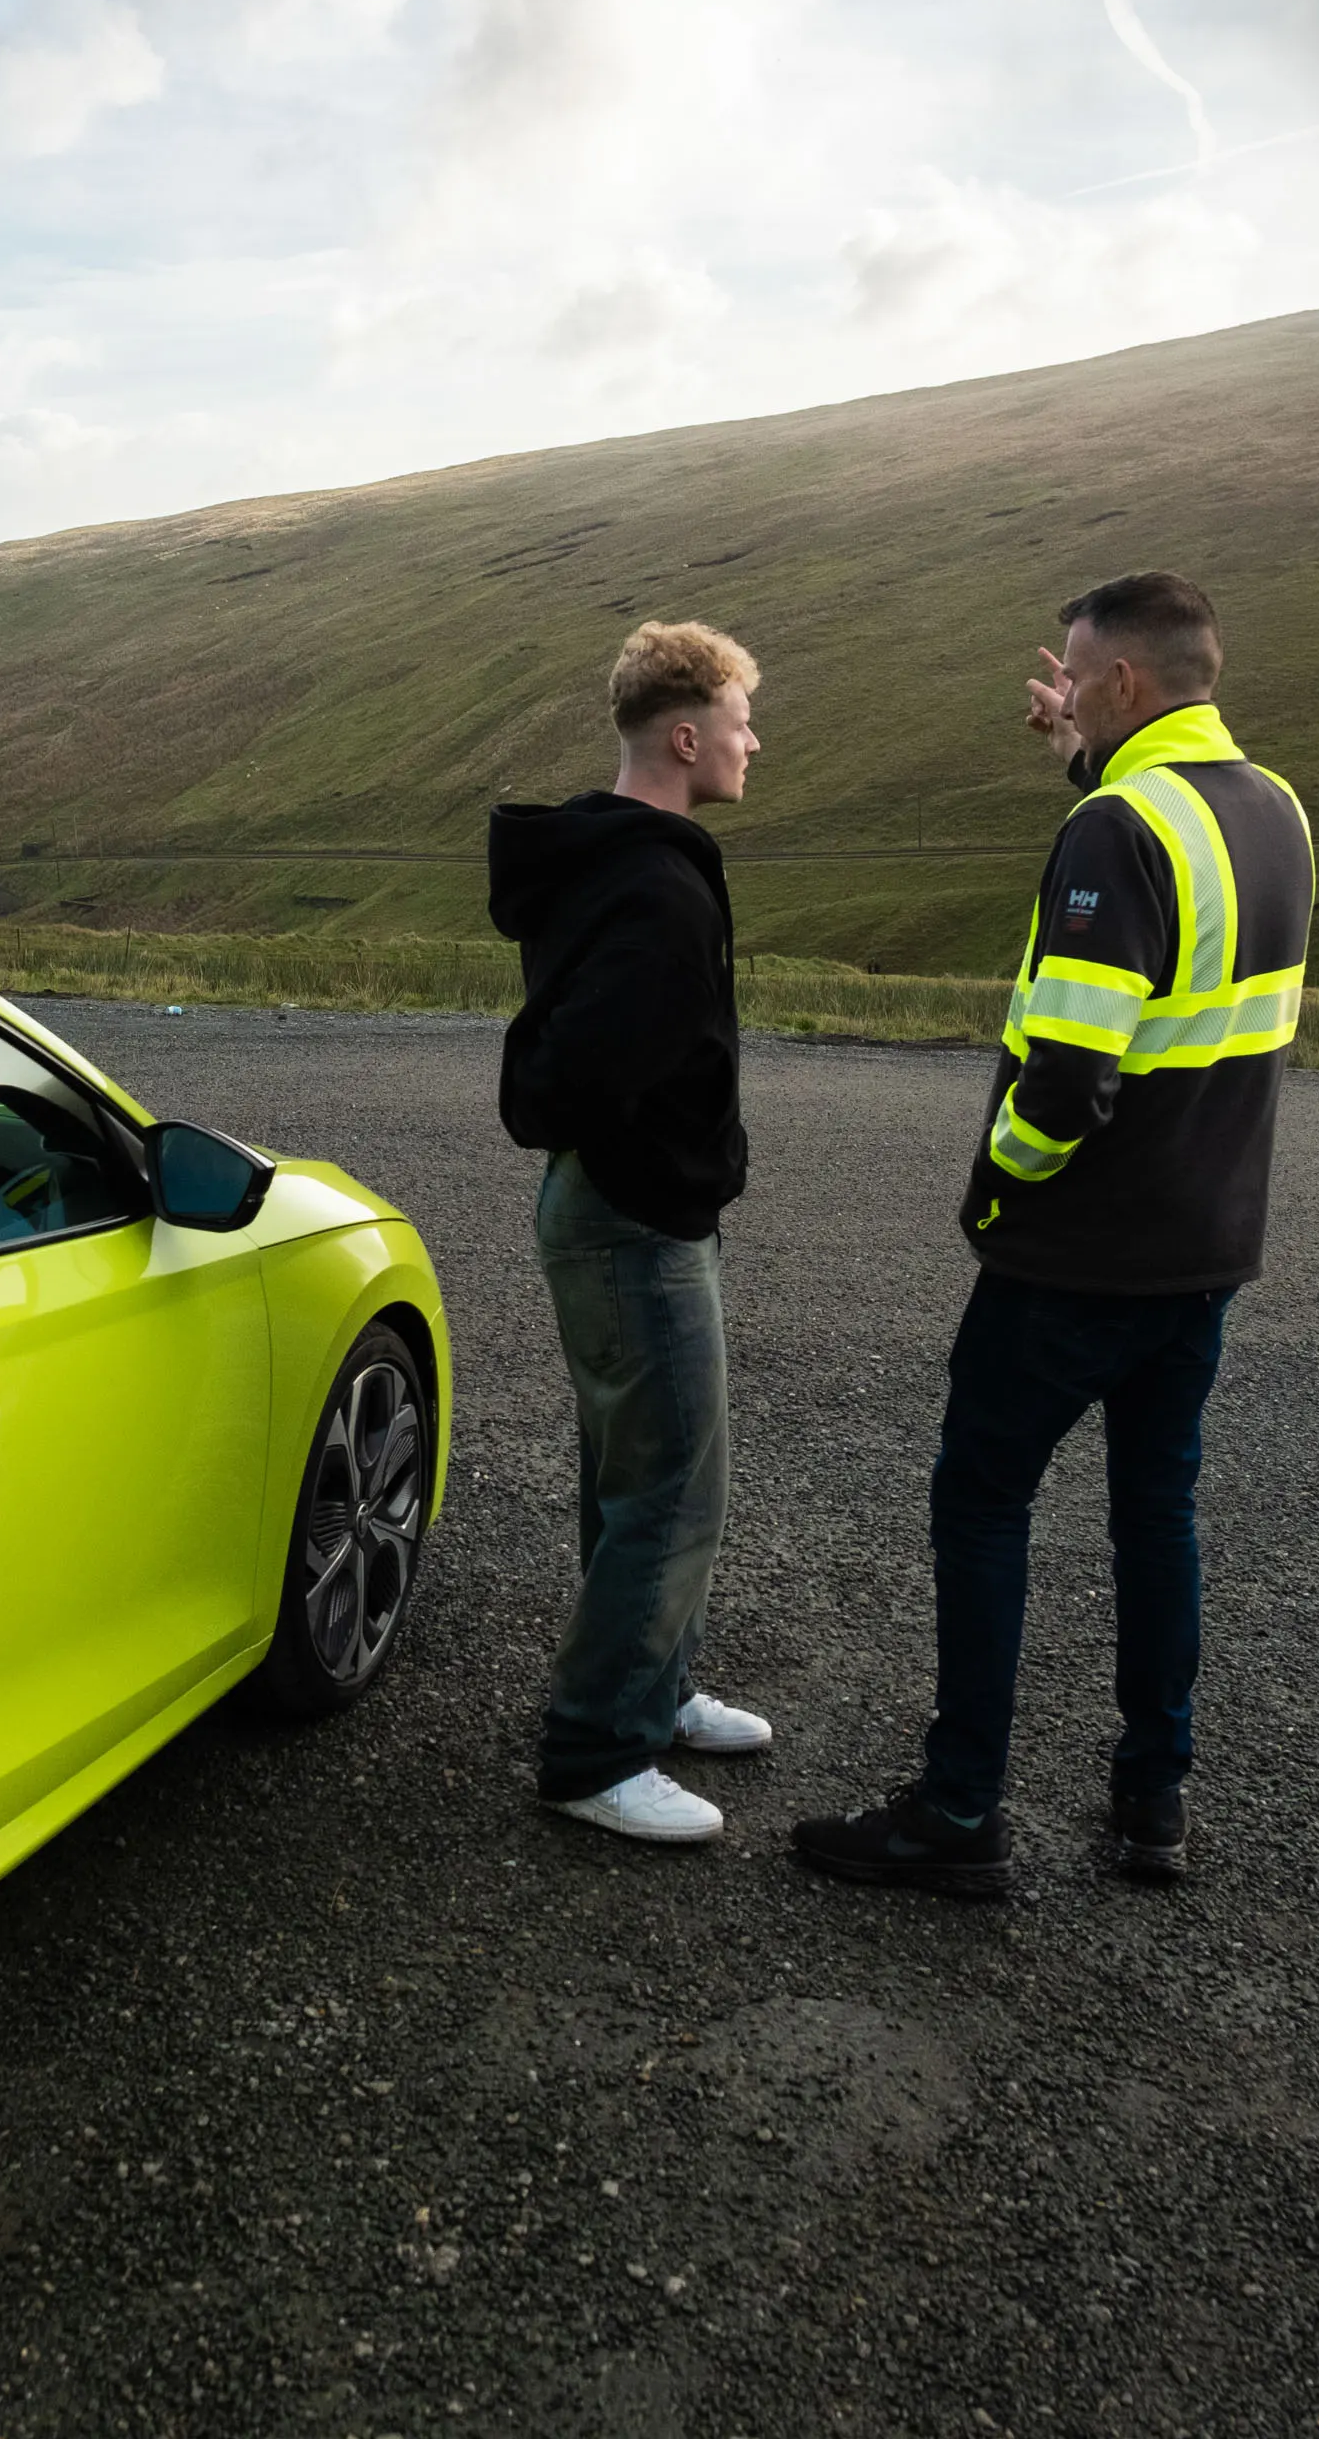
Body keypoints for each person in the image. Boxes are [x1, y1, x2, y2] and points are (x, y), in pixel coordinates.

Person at [794, 570, 1312, 1896]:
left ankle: (962, 1807)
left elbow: (1072, 1077)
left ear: (1127, 685)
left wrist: (1003, 1183)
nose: (1058, 696)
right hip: (1206, 1247)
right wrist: (1086, 760)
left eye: (1074, 679)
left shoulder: (1119, 829)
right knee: (1158, 1511)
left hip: (1078, 1253)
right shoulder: (1272, 811)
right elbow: (1178, 952)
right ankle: (1154, 1804)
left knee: (981, 1499)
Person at [489, 619, 778, 1844]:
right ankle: (596, 1750)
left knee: (635, 1475)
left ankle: (650, 1693)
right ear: (684, 732)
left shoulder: (619, 859)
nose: (752, 741)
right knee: (670, 1483)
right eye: (740, 721)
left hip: (624, 1204)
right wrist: (661, 1158)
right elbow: (571, 1072)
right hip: (633, 1218)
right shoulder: (656, 882)